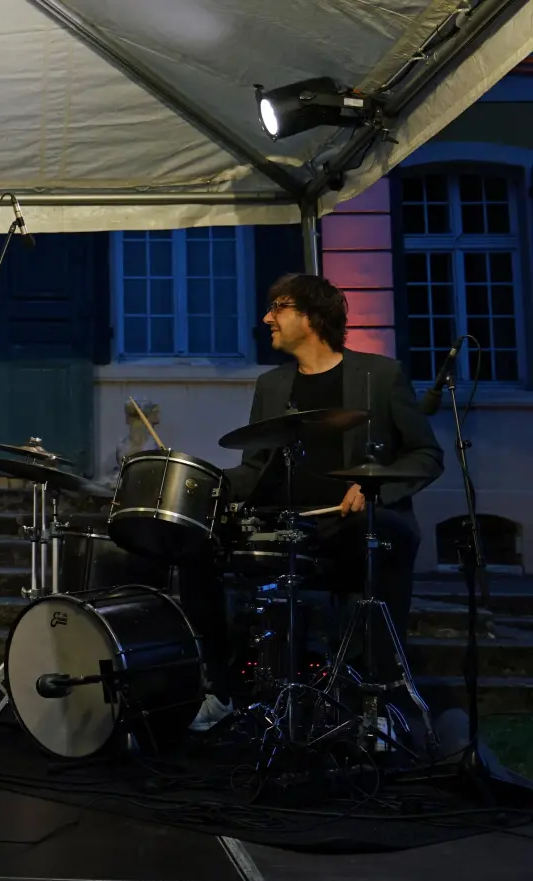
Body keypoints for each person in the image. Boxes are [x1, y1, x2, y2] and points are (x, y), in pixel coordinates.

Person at [181, 274, 443, 730]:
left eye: (278, 308)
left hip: (355, 525)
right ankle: (221, 689)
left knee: (380, 537)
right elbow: (256, 469)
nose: (267, 318)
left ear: (312, 316)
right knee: (195, 547)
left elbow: (426, 454)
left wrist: (376, 488)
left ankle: (374, 704)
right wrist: (204, 483)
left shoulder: (380, 376)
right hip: (287, 526)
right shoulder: (271, 385)